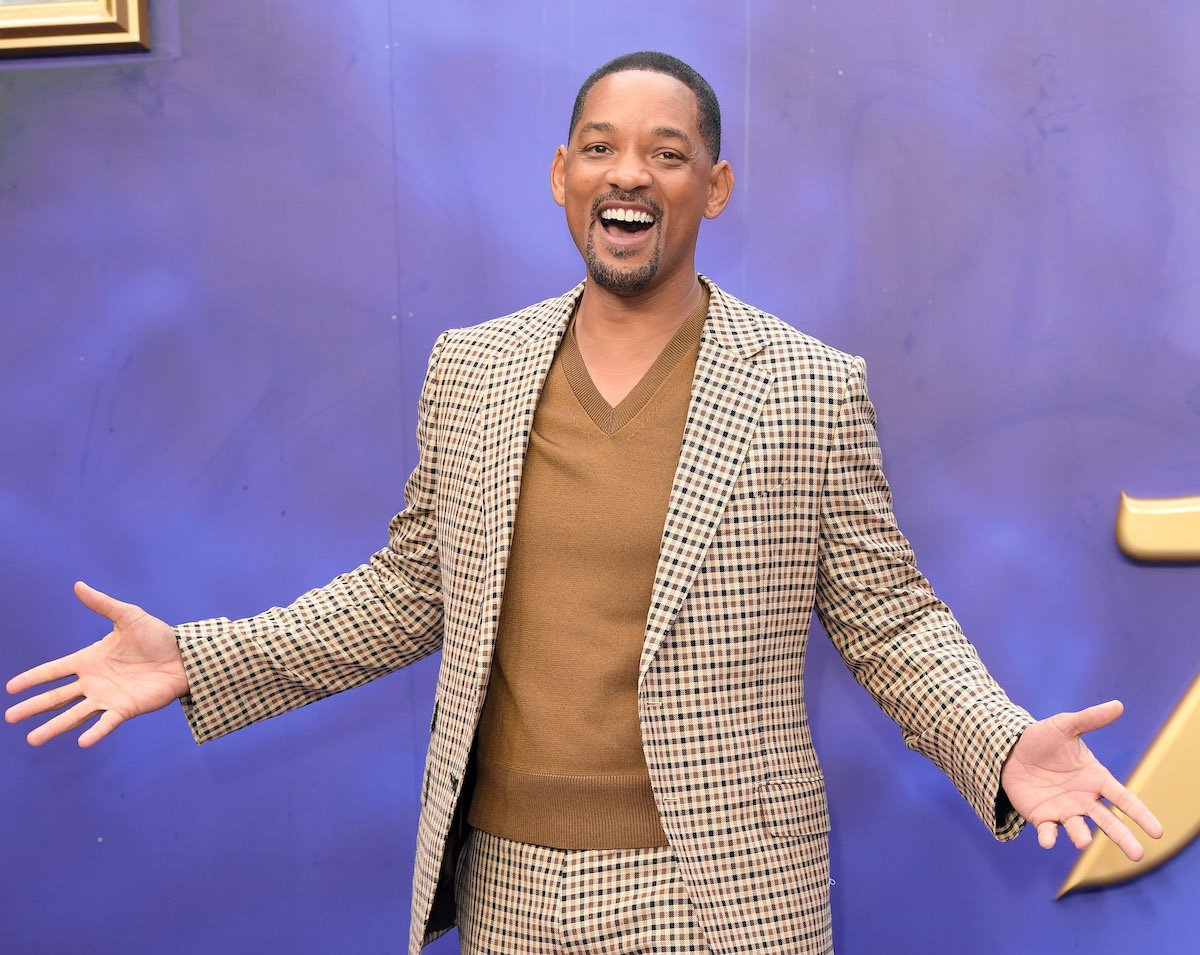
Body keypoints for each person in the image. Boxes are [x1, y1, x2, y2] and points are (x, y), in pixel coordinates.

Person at [5, 51, 1161, 955]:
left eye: (666, 154)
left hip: (721, 894)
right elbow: (410, 590)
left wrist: (999, 742)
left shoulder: (808, 386)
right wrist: (197, 661)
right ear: (561, 175)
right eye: (601, 148)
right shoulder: (473, 370)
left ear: (714, 188)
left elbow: (890, 615)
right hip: (506, 883)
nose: (629, 174)